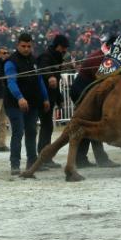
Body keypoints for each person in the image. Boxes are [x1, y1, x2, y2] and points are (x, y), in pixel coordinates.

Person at [69, 35, 119, 168]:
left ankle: (81, 159)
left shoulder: (104, 56)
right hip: (82, 92)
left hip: (88, 91)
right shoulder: (99, 59)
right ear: (111, 46)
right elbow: (103, 81)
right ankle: (101, 158)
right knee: (92, 123)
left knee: (87, 125)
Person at [4, 32, 50, 175]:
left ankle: (32, 162)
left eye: (28, 46)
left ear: (32, 46)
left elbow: (40, 80)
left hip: (33, 103)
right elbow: (11, 81)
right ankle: (15, 164)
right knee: (18, 132)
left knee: (31, 132)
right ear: (18, 45)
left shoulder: (34, 60)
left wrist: (46, 98)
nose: (26, 49)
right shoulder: (11, 62)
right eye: (23, 46)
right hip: (14, 103)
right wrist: (19, 97)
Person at [36, 34, 69, 168]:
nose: (65, 50)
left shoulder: (57, 57)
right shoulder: (46, 56)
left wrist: (59, 98)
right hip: (42, 97)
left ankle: (45, 157)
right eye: (63, 47)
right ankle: (43, 157)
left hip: (51, 96)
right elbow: (45, 70)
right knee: (46, 126)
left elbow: (57, 78)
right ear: (57, 46)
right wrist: (50, 76)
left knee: (47, 126)